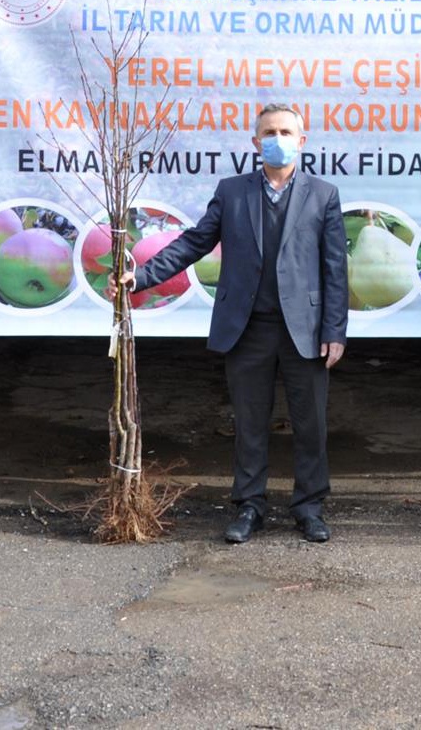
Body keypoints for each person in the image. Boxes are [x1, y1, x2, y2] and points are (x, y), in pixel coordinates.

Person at [120, 105, 347, 543]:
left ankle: (309, 507)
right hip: (247, 328)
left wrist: (334, 331)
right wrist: (142, 276)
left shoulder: (323, 195)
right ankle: (249, 505)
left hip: (305, 329)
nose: (277, 139)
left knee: (311, 424)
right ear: (256, 143)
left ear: (302, 141)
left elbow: (335, 268)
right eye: (269, 132)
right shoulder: (232, 192)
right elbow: (193, 243)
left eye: (286, 132)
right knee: (249, 423)